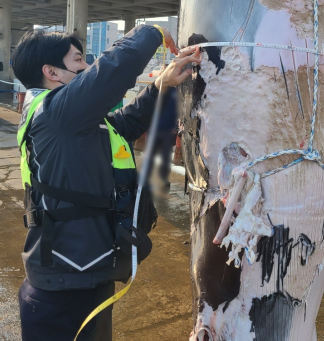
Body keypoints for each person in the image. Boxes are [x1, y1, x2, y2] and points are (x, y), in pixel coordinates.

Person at [12, 24, 201, 341]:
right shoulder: (54, 113)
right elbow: (114, 68)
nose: (87, 68)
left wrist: (161, 86)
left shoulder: (68, 120)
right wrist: (152, 31)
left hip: (82, 277)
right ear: (51, 72)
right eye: (78, 61)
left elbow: (122, 124)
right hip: (64, 290)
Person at [152, 83, 179, 188]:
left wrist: (175, 126)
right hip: (154, 129)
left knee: (165, 157)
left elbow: (177, 110)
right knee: (150, 155)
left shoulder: (175, 91)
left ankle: (163, 179)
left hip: (167, 130)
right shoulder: (157, 88)